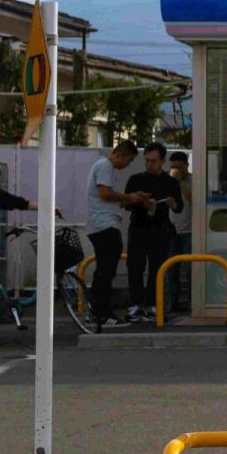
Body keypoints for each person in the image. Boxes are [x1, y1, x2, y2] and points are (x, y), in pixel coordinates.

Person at [124, 143, 183, 324]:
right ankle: (135, 304)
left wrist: (172, 204)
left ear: (162, 161)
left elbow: (179, 207)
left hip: (160, 230)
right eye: (147, 161)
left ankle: (151, 305)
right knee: (135, 267)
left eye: (154, 161)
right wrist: (141, 202)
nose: (150, 165)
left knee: (157, 269)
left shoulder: (171, 182)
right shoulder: (136, 179)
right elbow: (126, 204)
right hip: (138, 228)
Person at [87, 140, 142, 330]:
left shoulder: (103, 166)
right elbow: (105, 194)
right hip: (105, 226)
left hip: (102, 224)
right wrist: (129, 197)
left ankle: (98, 311)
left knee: (104, 271)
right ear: (120, 155)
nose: (127, 165)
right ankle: (102, 313)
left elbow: (106, 196)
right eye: (129, 161)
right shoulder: (105, 166)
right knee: (106, 271)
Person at [167, 152, 192, 316]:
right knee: (171, 268)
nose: (176, 170)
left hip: (190, 229)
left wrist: (180, 186)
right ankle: (173, 302)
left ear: (186, 166)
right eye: (173, 166)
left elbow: (196, 199)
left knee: (190, 267)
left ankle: (192, 301)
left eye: (179, 167)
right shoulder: (168, 181)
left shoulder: (194, 180)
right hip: (172, 229)